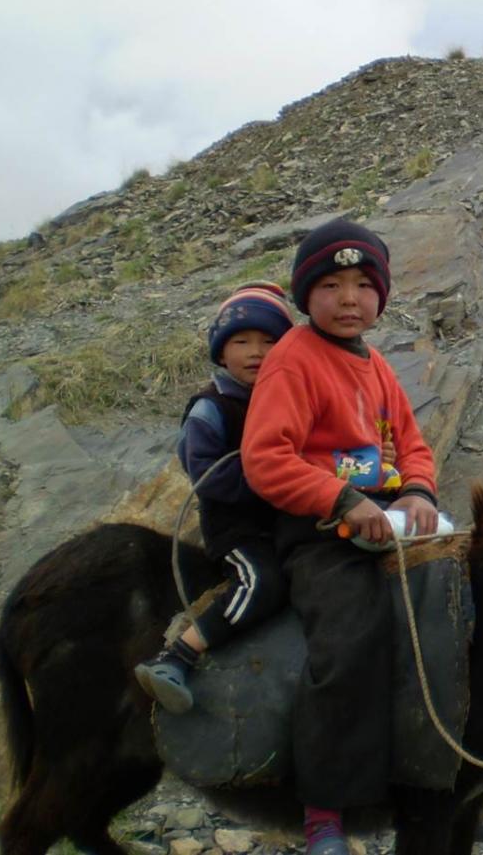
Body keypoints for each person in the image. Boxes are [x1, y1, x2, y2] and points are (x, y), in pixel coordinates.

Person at [241, 218, 439, 855]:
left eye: (362, 284)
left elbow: (411, 444)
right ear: (305, 296)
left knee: (457, 616)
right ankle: (323, 809)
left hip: (387, 518)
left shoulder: (377, 365)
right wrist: (342, 499)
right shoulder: (292, 362)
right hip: (320, 530)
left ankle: (446, 784)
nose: (349, 298)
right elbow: (266, 458)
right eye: (330, 284)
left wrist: (417, 491)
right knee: (348, 639)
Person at [134, 282, 295, 713]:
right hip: (238, 528)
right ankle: (180, 654)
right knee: (264, 581)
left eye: (269, 341)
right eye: (241, 341)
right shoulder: (211, 409)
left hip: (287, 518)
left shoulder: (288, 401)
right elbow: (205, 472)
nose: (256, 352)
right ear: (221, 352)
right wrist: (275, 479)